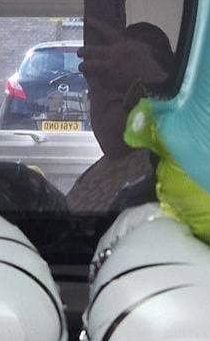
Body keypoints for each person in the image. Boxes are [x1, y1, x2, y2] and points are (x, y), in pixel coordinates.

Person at [69, 20, 175, 215]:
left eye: (127, 86)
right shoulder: (97, 172)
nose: (109, 94)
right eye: (96, 89)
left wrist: (151, 75)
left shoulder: (170, 163)